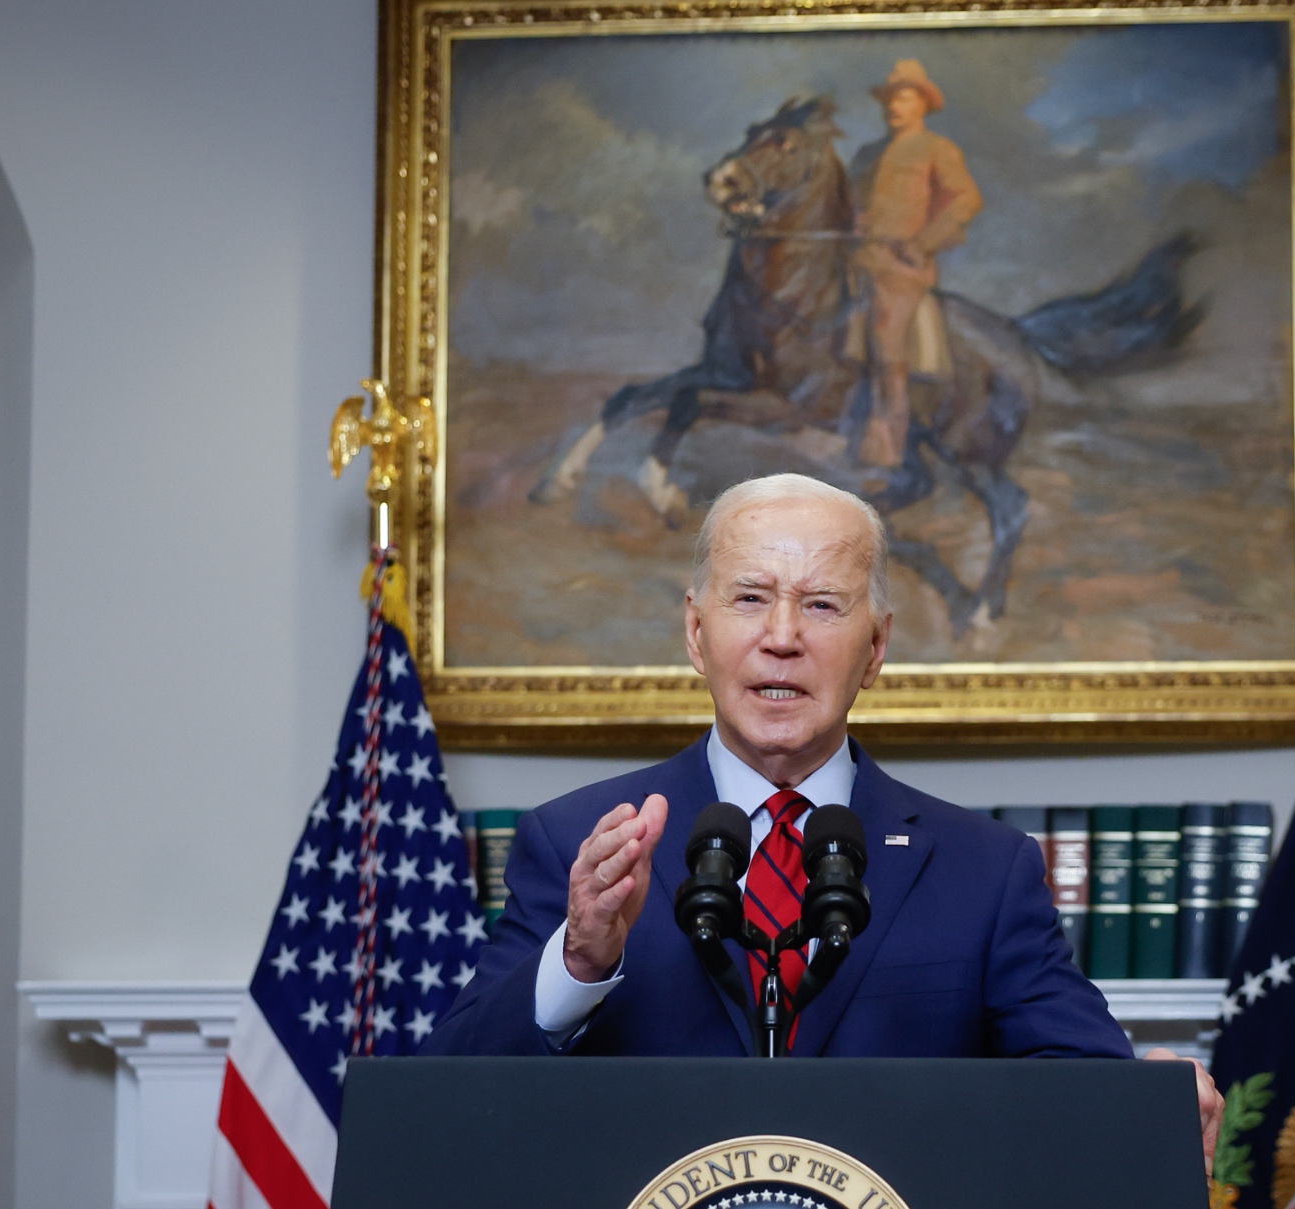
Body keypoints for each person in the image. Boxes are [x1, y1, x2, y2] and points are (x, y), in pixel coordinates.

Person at [424, 473, 1223, 1159]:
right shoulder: (576, 841)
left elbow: (1086, 1091)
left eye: (822, 604)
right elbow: (447, 1101)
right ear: (697, 634)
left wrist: (1152, 1107)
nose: (782, 638)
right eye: (750, 599)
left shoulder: (986, 869)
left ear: (875, 649)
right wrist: (580, 961)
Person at [848, 59, 982, 469]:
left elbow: (966, 200)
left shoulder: (936, 149)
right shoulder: (867, 155)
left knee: (887, 346)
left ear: (923, 104)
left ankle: (892, 450)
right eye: (890, 98)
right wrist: (855, 220)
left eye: (903, 98)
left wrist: (924, 244)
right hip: (857, 263)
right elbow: (852, 205)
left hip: (902, 270)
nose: (894, 106)